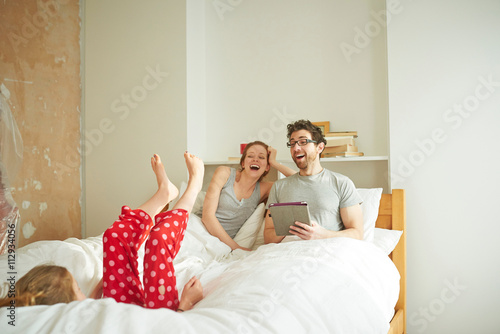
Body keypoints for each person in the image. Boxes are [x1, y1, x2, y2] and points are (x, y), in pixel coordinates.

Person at [0, 152, 205, 312]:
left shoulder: (77, 314)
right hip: (155, 316)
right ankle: (194, 187)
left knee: (113, 237)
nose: (83, 289)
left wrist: (97, 292)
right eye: (78, 289)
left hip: (122, 306)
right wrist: (184, 303)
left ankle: (164, 193)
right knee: (158, 240)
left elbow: (85, 308)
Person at [264, 120, 364, 244]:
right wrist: (288, 227)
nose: (296, 148)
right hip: (286, 255)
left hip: (326, 252)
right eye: (292, 143)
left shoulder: (341, 183)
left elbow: (357, 233)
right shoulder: (279, 186)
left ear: (320, 147)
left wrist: (322, 234)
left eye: (303, 141)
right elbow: (268, 237)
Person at [202, 141, 295, 251]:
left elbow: (297, 180)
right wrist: (236, 248)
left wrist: (274, 163)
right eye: (250, 156)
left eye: (261, 157)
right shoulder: (224, 173)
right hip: (201, 232)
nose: (255, 159)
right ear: (243, 163)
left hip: (221, 246)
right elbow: (207, 216)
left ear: (267, 167)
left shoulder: (266, 188)